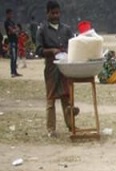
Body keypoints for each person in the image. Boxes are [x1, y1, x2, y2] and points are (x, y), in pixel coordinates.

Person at [35, 0, 75, 137]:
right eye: (53, 13)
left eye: (58, 13)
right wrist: (52, 51)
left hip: (65, 67)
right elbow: (38, 50)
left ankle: (71, 126)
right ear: (47, 13)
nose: (56, 15)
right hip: (51, 67)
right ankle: (51, 129)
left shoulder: (66, 29)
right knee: (51, 99)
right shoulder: (42, 30)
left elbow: (73, 45)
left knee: (66, 97)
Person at [4, 9, 21, 77]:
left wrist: (14, 30)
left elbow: (17, 29)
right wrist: (14, 30)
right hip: (11, 41)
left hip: (15, 40)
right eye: (10, 14)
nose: (11, 15)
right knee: (13, 57)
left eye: (11, 14)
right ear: (7, 14)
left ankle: (15, 71)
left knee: (15, 57)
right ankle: (12, 72)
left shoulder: (12, 22)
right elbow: (12, 31)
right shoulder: (6, 22)